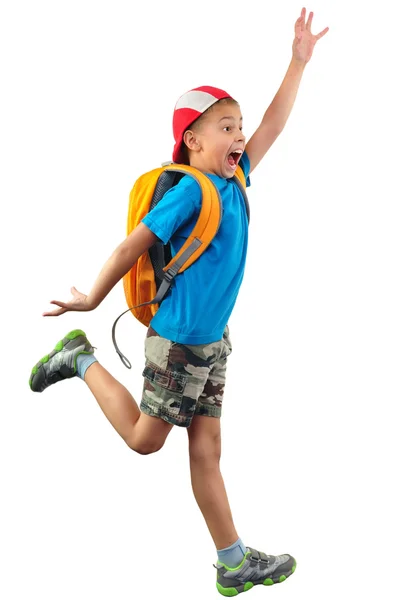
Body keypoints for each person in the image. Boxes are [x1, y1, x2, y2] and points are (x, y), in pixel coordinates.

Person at [29, 8, 328, 596]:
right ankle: (78, 357)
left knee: (208, 452)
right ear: (192, 138)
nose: (240, 135)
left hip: (212, 342)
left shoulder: (235, 181)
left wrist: (296, 62)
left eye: (238, 126)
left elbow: (274, 126)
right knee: (146, 441)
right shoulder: (189, 190)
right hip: (177, 341)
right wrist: (91, 298)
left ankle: (233, 562)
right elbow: (131, 245)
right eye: (225, 127)